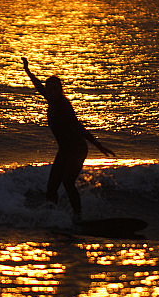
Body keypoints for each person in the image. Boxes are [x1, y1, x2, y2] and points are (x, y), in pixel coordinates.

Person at [22, 57, 115, 219]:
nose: (51, 91)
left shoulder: (64, 105)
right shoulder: (50, 99)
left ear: (60, 90)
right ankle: (52, 216)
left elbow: (79, 127)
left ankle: (78, 217)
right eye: (49, 89)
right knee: (51, 187)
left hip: (78, 149)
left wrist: (99, 146)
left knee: (67, 182)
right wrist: (27, 70)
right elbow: (38, 85)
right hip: (64, 150)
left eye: (54, 89)